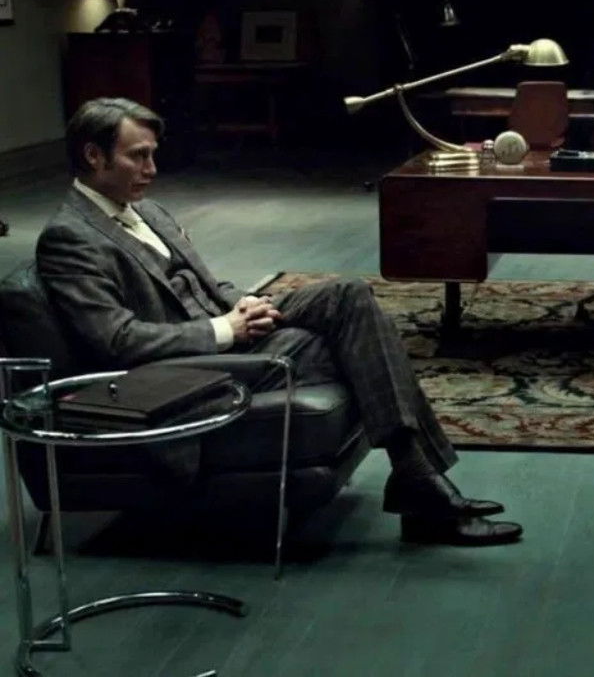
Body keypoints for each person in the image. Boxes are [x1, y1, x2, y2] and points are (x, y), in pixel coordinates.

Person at [37, 97, 521, 547]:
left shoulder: (146, 210)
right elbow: (116, 339)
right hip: (186, 368)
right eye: (138, 156)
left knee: (347, 296)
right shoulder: (71, 238)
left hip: (225, 329)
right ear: (94, 156)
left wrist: (246, 305)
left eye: (152, 154)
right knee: (352, 344)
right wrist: (226, 329)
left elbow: (206, 284)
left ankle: (418, 480)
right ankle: (421, 485)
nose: (152, 169)